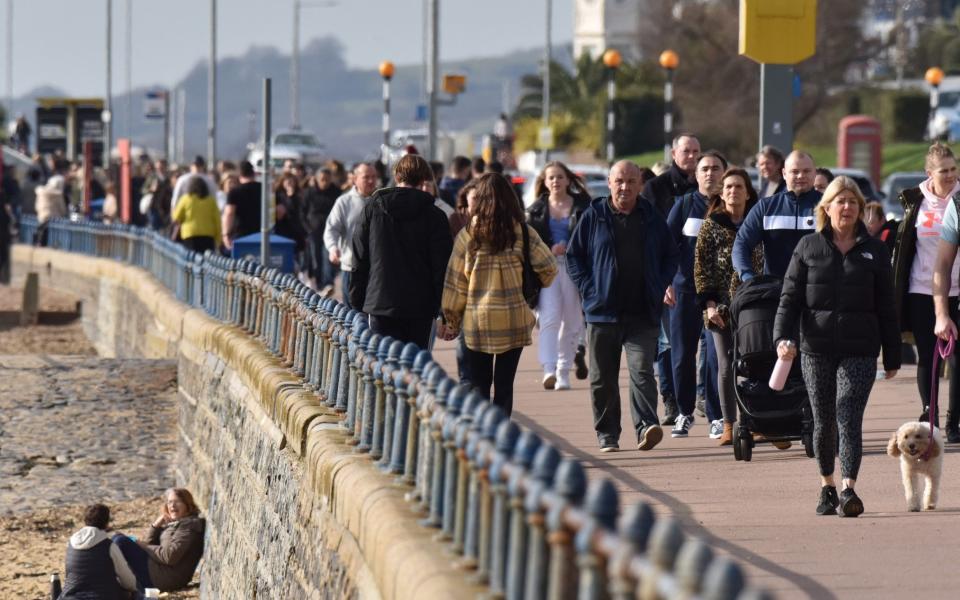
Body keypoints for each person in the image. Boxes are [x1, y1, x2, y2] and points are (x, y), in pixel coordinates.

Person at [773, 176, 900, 517]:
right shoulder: (808, 247)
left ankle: (849, 489)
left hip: (860, 348)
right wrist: (782, 339)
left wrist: (893, 353)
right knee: (824, 419)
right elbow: (789, 299)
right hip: (816, 348)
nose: (846, 207)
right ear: (826, 208)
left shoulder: (875, 251)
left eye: (852, 202)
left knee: (848, 415)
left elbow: (887, 306)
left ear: (860, 208)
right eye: (839, 202)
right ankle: (827, 485)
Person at [567, 161, 680, 452]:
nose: (625, 187)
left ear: (640, 184)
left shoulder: (651, 216)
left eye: (631, 181)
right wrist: (589, 290)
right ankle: (608, 434)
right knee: (602, 378)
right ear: (609, 182)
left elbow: (670, 255)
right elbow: (573, 257)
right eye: (619, 181)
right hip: (602, 313)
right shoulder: (594, 215)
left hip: (642, 311)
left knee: (642, 371)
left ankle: (646, 427)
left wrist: (659, 285)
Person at [440, 173, 557, 416]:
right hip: (514, 320)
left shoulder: (468, 236)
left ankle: (484, 439)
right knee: (504, 387)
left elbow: (456, 283)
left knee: (480, 385)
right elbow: (549, 268)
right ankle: (503, 434)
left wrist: (451, 319)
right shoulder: (523, 233)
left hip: (477, 323)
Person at [350, 154, 453, 348]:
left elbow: (359, 256)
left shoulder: (373, 208)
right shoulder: (435, 215)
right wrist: (445, 311)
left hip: (380, 301)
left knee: (383, 366)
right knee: (415, 367)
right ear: (424, 179)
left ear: (397, 177)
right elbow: (442, 266)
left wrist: (358, 301)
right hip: (421, 305)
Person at [694, 167, 761, 445]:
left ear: (748, 193)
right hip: (719, 306)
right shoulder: (711, 225)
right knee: (725, 365)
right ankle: (729, 425)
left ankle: (758, 422)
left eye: (739, 187)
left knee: (756, 363)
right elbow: (701, 268)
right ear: (722, 193)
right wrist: (709, 305)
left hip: (753, 304)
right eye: (729, 187)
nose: (734, 191)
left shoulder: (757, 222)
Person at [899, 142, 960, 436]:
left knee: (957, 357)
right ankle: (930, 415)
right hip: (922, 288)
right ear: (929, 173)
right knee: (928, 355)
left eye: (953, 169)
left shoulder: (959, 201)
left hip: (957, 289)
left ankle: (954, 420)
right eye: (943, 171)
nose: (949, 176)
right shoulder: (916, 202)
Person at [665, 152, 727, 438]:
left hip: (720, 294)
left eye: (716, 168)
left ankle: (716, 415)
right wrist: (666, 283)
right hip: (685, 291)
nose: (710, 173)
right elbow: (665, 247)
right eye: (705, 169)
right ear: (696, 174)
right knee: (682, 355)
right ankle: (684, 412)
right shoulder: (684, 205)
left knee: (716, 356)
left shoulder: (731, 207)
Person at [642, 134, 700, 426]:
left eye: (696, 152)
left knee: (704, 344)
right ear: (674, 154)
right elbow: (651, 238)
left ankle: (700, 395)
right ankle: (670, 399)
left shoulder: (706, 189)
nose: (691, 156)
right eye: (686, 151)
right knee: (668, 344)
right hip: (671, 279)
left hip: (703, 281)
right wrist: (661, 279)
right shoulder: (656, 188)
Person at [526, 161, 591, 390]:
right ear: (544, 182)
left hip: (575, 268)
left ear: (568, 180)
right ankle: (549, 369)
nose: (555, 181)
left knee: (572, 321)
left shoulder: (583, 206)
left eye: (559, 177)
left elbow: (590, 237)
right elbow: (530, 243)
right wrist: (549, 247)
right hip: (547, 269)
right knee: (550, 319)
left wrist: (572, 248)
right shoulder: (535, 211)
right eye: (551, 177)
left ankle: (564, 371)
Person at [733, 150, 822, 281]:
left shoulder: (828, 207)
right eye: (795, 171)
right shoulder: (766, 207)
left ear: (814, 173)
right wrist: (748, 277)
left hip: (817, 292)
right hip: (775, 293)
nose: (801, 176)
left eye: (806, 171)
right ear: (784, 174)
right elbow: (741, 244)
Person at [112, 488, 206, 592]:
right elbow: (151, 544)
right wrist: (156, 526)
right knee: (117, 538)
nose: (172, 506)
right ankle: (111, 582)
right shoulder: (178, 523)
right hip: (158, 570)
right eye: (170, 502)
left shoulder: (189, 526)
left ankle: (107, 582)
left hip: (165, 578)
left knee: (121, 542)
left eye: (178, 501)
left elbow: (169, 556)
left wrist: (139, 543)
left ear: (188, 505)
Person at [323, 162, 379, 307]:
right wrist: (333, 248)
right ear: (354, 179)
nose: (371, 181)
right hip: (351, 268)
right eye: (366, 177)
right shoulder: (344, 202)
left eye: (374, 177)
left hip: (377, 269)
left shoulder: (381, 201)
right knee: (353, 317)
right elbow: (332, 229)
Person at [59, 504, 138, 599]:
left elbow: (70, 575)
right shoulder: (108, 546)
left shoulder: (71, 543)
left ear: (85, 521)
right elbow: (128, 582)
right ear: (106, 523)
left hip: (69, 597)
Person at [172, 176, 221, 253]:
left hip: (189, 234)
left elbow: (176, 217)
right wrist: (218, 239)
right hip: (208, 235)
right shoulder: (211, 201)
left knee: (191, 260)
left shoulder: (185, 199)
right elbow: (217, 221)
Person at [221, 160, 261, 251]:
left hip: (241, 235)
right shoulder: (264, 190)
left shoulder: (235, 192)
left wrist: (225, 234)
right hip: (262, 235)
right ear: (253, 173)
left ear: (239, 175)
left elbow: (229, 213)